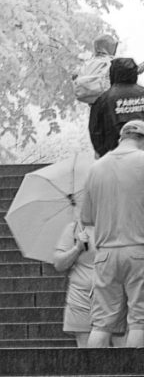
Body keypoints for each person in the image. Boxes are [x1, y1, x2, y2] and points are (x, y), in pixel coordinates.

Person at [81, 119, 144, 348]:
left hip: (106, 254)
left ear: (121, 139)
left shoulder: (96, 168)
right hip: (139, 250)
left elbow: (86, 217)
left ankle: (92, 374)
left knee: (101, 324)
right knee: (140, 321)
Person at [53, 221, 100, 347]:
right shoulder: (75, 228)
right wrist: (77, 248)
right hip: (81, 297)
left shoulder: (119, 224)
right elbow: (59, 263)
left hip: (113, 296)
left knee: (119, 350)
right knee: (86, 351)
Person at [88, 57, 144, 158]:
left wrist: (103, 154)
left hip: (114, 156)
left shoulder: (103, 99)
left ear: (112, 73)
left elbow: (95, 130)